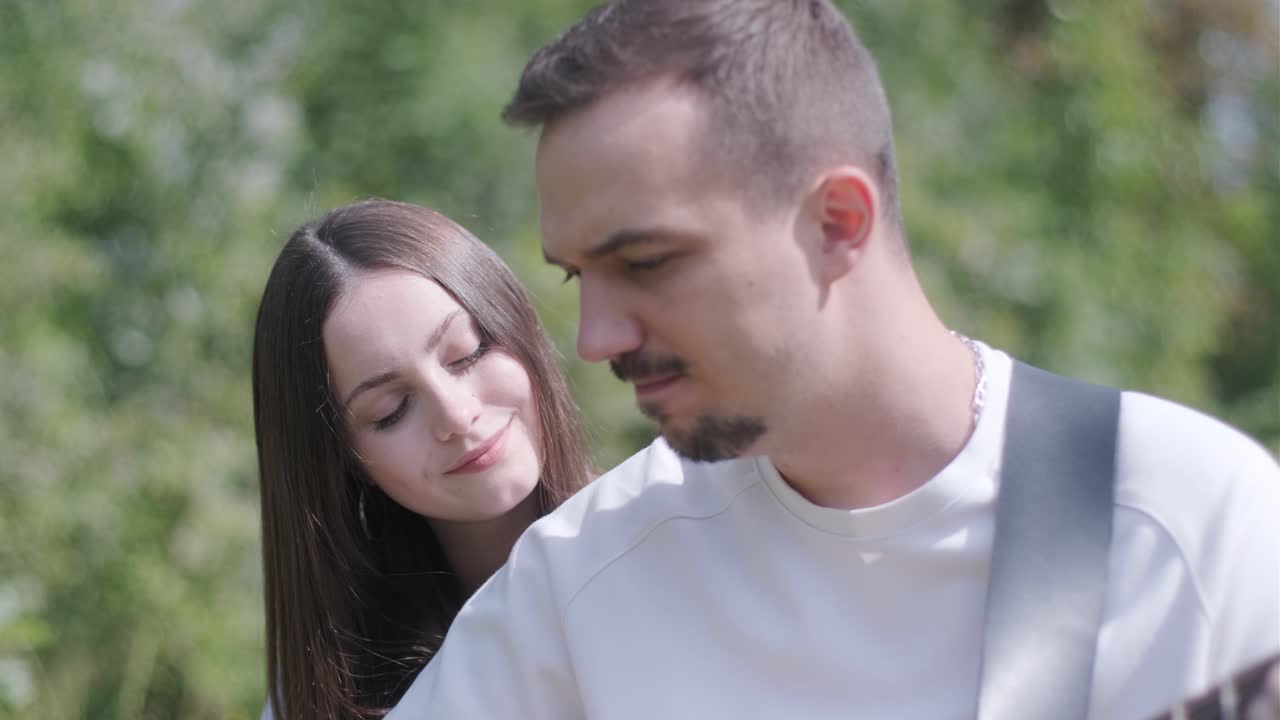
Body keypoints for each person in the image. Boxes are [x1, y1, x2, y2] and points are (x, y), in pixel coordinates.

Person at [387, 1, 1280, 718]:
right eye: (579, 275)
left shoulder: (1191, 523)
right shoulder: (585, 581)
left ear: (838, 221)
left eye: (647, 263)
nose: (596, 338)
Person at [252, 199, 593, 719]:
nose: (456, 415)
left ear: (517, 327)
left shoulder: (678, 536)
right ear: (344, 461)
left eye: (468, 354)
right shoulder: (326, 698)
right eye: (390, 410)